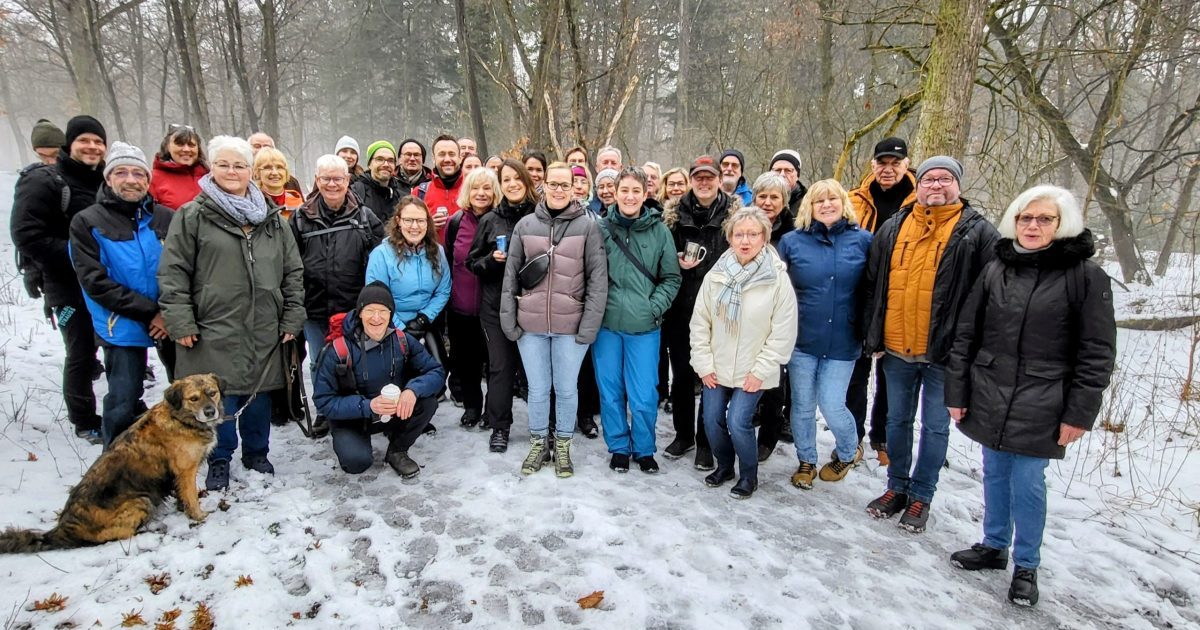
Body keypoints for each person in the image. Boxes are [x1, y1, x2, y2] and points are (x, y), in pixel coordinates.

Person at [946, 185, 1115, 606]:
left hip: (1045, 397)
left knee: (1027, 482)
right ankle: (993, 544)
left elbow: (1096, 351)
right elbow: (967, 332)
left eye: (1044, 219)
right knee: (994, 471)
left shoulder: (1084, 276)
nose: (1033, 226)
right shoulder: (997, 268)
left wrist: (1080, 412)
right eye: (1025, 218)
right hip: (990, 387)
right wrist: (957, 389)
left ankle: (1027, 565)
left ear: (1062, 225)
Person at [158, 135, 305, 491]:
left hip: (263, 323)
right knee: (218, 396)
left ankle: (257, 452)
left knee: (258, 392)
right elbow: (173, 271)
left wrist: (292, 315)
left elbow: (293, 272)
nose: (232, 171)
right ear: (212, 168)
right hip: (212, 324)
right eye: (223, 164)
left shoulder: (271, 219)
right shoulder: (193, 215)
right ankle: (219, 458)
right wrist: (180, 320)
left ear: (249, 171)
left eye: (239, 165)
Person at [861, 156, 1000, 532]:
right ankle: (897, 488)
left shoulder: (979, 233)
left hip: (945, 354)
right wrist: (872, 335)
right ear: (917, 184)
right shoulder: (894, 227)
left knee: (936, 428)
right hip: (896, 348)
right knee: (896, 421)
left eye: (944, 179)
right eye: (929, 180)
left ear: (958, 185)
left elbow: (991, 297)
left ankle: (922, 494)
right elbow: (874, 285)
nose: (936, 186)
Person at [500, 161, 608, 477]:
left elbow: (597, 279)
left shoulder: (588, 227)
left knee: (565, 388)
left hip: (570, 325)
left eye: (566, 184)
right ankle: (538, 444)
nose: (559, 190)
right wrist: (510, 319)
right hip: (530, 324)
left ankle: (562, 445)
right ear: (543, 185)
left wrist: (589, 325)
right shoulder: (525, 226)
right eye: (553, 183)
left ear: (575, 188)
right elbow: (510, 276)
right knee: (537, 388)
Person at [11, 115, 109, 443]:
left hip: (105, 283)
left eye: (98, 141)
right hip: (65, 287)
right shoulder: (46, 181)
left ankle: (122, 407)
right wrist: (78, 253)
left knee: (113, 345)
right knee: (80, 351)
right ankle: (84, 419)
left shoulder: (106, 180)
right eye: (84, 140)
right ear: (70, 144)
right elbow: (26, 234)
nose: (92, 146)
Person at [69, 142, 174, 448]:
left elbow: (188, 269)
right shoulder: (88, 221)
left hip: (170, 317)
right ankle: (114, 460)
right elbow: (94, 280)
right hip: (121, 321)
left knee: (185, 391)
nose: (131, 179)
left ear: (148, 179)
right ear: (108, 178)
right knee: (123, 397)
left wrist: (167, 311)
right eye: (122, 172)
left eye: (138, 173)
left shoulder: (166, 218)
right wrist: (149, 311)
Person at [690, 206, 796, 499]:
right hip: (717, 364)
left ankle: (749, 474)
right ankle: (725, 466)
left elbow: (782, 332)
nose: (745, 240)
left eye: (753, 234)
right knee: (711, 419)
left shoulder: (776, 279)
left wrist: (760, 371)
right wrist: (703, 363)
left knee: (738, 420)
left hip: (754, 367)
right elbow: (701, 322)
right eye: (739, 234)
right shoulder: (717, 275)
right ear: (730, 238)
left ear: (764, 237)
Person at [776, 180, 872, 489]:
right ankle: (806, 461)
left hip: (844, 340)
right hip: (802, 338)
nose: (827, 204)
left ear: (843, 203)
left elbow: (876, 291)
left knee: (832, 404)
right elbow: (777, 290)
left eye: (833, 199)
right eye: (820, 201)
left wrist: (873, 333)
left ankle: (847, 452)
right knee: (802, 405)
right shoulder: (792, 242)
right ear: (809, 207)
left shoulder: (864, 241)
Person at [594, 167, 680, 473]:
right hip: (606, 326)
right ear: (614, 193)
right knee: (610, 390)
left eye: (636, 191)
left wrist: (653, 308)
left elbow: (671, 277)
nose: (629, 196)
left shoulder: (660, 232)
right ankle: (618, 446)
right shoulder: (600, 229)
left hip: (644, 327)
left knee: (644, 394)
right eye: (624, 190)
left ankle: (644, 448)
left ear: (646, 194)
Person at [313, 282, 446, 477]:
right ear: (360, 313)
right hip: (354, 417)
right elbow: (323, 401)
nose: (376, 318)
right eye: (370, 311)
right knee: (356, 463)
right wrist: (367, 406)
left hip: (392, 412)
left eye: (383, 311)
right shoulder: (338, 350)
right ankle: (351, 440)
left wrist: (412, 390)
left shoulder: (402, 340)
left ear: (391, 314)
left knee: (427, 403)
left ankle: (398, 450)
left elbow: (436, 371)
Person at [661, 155, 739, 470]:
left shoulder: (735, 215)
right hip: (681, 307)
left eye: (710, 177)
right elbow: (661, 259)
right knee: (681, 377)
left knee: (711, 379)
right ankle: (684, 435)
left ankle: (706, 441)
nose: (704, 183)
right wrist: (675, 260)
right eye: (699, 177)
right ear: (691, 180)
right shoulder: (672, 216)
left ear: (720, 180)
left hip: (720, 311)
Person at [847, 137, 917, 465]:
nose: (887, 169)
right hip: (859, 294)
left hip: (898, 296)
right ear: (873, 164)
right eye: (882, 163)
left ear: (906, 165)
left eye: (895, 163)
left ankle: (882, 436)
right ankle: (852, 436)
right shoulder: (855, 199)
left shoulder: (918, 202)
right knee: (857, 372)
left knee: (890, 372)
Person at [468, 159, 538, 453]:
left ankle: (543, 425)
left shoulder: (541, 216)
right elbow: (471, 262)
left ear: (526, 182)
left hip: (534, 304)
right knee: (500, 368)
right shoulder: (490, 220)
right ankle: (500, 427)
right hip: (496, 306)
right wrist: (490, 261)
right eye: (506, 179)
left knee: (537, 370)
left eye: (516, 179)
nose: (511, 184)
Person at [291, 155, 384, 366]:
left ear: (348, 179)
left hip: (354, 309)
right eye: (326, 179)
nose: (332, 184)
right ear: (316, 180)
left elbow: (379, 263)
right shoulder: (300, 218)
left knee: (358, 363)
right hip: (315, 310)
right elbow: (291, 267)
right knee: (320, 363)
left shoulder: (365, 218)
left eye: (338, 179)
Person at [445, 167, 498, 430]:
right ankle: (472, 406)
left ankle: (492, 409)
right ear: (467, 191)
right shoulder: (455, 222)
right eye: (475, 187)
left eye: (487, 188)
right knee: (466, 363)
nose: (481, 193)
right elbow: (447, 262)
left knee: (495, 364)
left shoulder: (500, 221)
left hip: (492, 308)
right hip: (461, 308)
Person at [748, 171, 795, 460]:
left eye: (773, 197)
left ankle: (768, 436)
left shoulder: (792, 233)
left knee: (775, 380)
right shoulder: (743, 225)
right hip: (746, 315)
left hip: (778, 313)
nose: (767, 202)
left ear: (784, 201)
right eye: (762, 196)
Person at [416, 134, 464, 242]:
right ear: (433, 158)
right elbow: (407, 229)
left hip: (467, 257)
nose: (447, 159)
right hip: (432, 256)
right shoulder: (419, 192)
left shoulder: (473, 190)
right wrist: (428, 226)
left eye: (452, 154)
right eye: (442, 154)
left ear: (460, 158)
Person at [149, 124, 208, 211]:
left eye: (191, 145)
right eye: (180, 144)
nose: (186, 149)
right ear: (167, 146)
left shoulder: (210, 177)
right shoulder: (152, 179)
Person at [351, 141, 405, 223]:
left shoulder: (401, 197)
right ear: (369, 164)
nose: (386, 164)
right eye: (380, 159)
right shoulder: (355, 193)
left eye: (390, 161)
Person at [253, 148, 303, 218]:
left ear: (286, 172)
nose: (275, 173)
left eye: (279, 167)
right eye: (267, 167)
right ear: (257, 172)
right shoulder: (251, 204)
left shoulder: (297, 202)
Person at [769, 150, 808, 216]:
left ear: (797, 175)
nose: (782, 174)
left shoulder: (807, 203)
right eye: (777, 170)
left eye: (788, 170)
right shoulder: (761, 201)